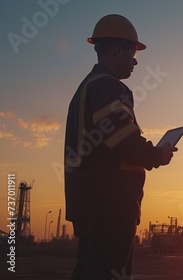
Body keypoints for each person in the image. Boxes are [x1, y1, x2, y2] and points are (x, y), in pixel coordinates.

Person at [64, 14, 176, 279]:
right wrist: (158, 154)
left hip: (95, 205)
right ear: (117, 49)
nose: (135, 61)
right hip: (110, 206)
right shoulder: (106, 87)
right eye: (133, 52)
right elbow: (124, 141)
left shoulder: (90, 87)